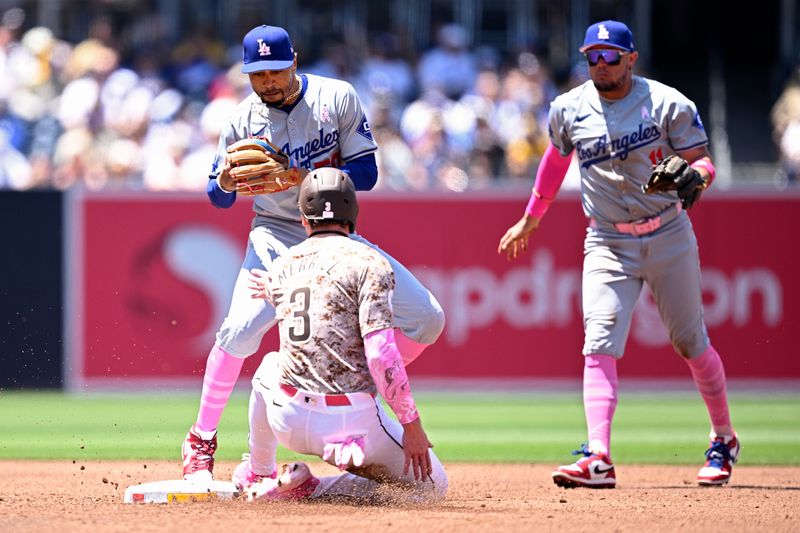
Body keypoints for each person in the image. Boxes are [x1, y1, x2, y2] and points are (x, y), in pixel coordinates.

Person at [182, 24, 445, 483]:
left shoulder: (336, 97)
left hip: (333, 234)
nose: (266, 81)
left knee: (428, 317)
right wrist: (224, 180)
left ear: (294, 62)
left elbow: (365, 174)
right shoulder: (243, 118)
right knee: (240, 330)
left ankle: (357, 382)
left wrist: (301, 173)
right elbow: (218, 196)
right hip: (275, 236)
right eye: (257, 73)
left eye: (275, 70)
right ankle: (201, 440)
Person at [497, 20, 738, 488]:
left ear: (631, 59)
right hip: (607, 239)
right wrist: (532, 215)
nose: (600, 65)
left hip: (668, 232)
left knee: (691, 342)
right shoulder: (569, 107)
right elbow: (555, 158)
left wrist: (699, 177)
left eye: (610, 56)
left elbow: (704, 160)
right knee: (598, 340)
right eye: (593, 56)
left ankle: (724, 437)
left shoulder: (668, 102)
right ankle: (599, 455)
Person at [233, 168, 447, 503]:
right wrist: (412, 425)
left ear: (304, 219)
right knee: (432, 489)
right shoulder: (371, 263)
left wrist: (273, 286)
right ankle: (317, 490)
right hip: (349, 423)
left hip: (287, 418)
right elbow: (380, 353)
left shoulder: (284, 266)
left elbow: (300, 297)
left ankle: (259, 470)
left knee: (268, 365)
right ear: (352, 217)